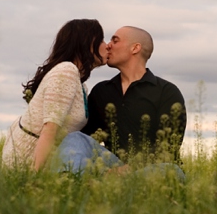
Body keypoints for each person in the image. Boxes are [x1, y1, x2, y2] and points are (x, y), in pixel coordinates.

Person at [57, 26, 187, 175]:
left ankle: (101, 187)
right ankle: (69, 185)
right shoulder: (101, 91)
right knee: (76, 137)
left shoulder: (166, 92)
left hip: (149, 169)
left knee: (171, 171)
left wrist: (123, 172)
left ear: (135, 48)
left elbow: (168, 146)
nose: (108, 45)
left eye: (115, 40)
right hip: (110, 165)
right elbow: (87, 139)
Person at [1, 19, 107, 170]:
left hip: (51, 158)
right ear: (87, 43)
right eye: (101, 39)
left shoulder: (80, 84)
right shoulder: (66, 71)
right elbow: (50, 129)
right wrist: (35, 178)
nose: (107, 45)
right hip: (30, 159)